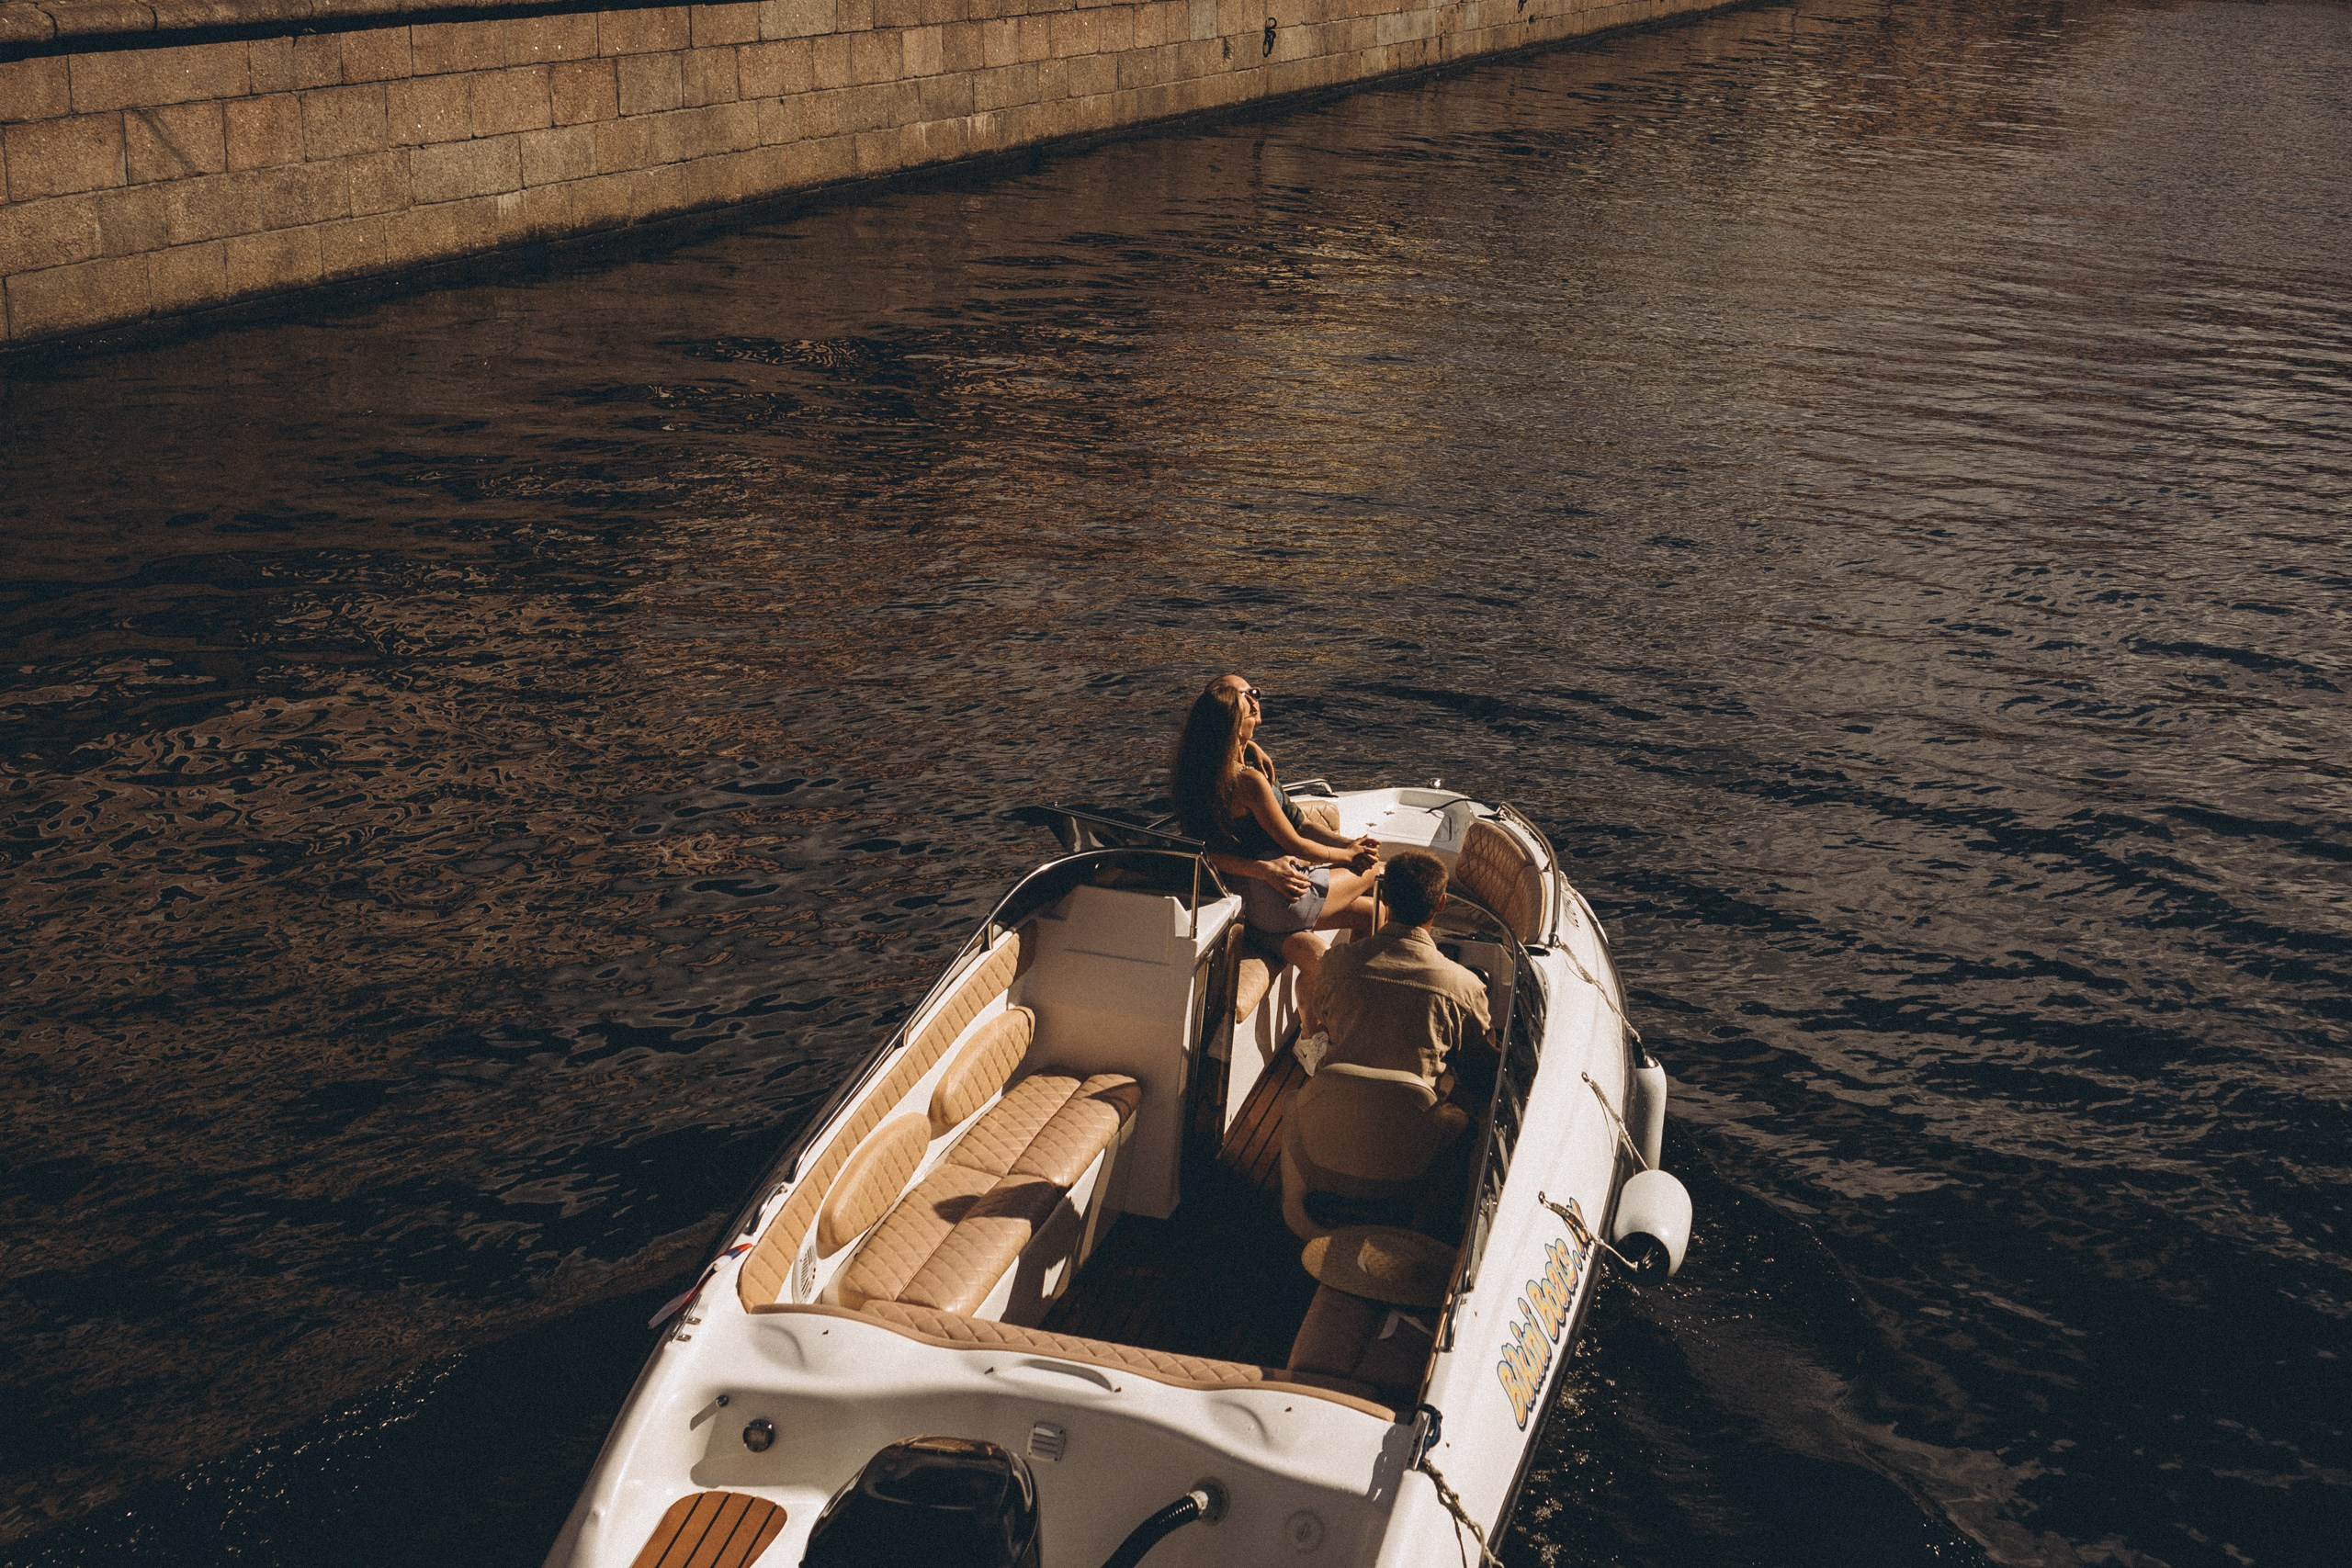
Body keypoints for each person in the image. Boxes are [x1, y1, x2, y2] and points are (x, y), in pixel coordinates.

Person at [1170, 675, 1380, 1015]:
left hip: (1249, 899)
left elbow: (1208, 847)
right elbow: (1296, 843)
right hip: (1281, 897)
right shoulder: (1248, 780)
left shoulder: (1202, 772)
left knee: (1374, 913)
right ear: (1232, 716)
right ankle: (1360, 1004)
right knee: (1379, 872)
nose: (1256, 698)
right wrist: (1349, 854)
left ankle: (1325, 1016)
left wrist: (1249, 746)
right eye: (1248, 695)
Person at [1305, 849, 1491, 1091]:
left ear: (1382, 895)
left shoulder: (1334, 964)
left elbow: (1326, 1019)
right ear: (1441, 903)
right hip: (1411, 1119)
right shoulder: (1466, 987)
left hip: (1335, 1103)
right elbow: (1480, 1069)